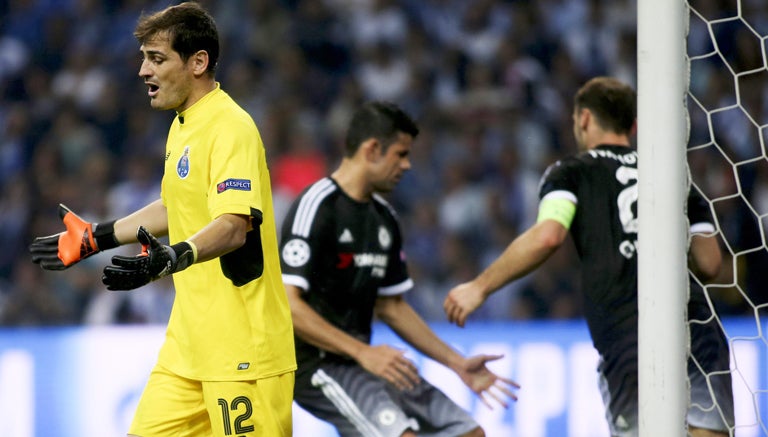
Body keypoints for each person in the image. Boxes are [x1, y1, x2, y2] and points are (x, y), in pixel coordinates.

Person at [29, 3, 296, 436]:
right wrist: (97, 237)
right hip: (188, 347)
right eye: (143, 58)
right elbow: (175, 206)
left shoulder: (231, 127)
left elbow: (233, 224)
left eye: (156, 59)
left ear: (198, 62)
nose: (142, 72)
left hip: (243, 348)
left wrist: (175, 256)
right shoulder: (182, 125)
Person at [443, 77, 734, 437]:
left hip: (629, 339)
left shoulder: (571, 173)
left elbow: (549, 235)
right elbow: (710, 264)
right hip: (696, 331)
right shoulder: (675, 175)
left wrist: (480, 286)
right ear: (633, 126)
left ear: (583, 119)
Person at [279, 101, 519, 437]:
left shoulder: (384, 219)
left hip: (368, 361)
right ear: (372, 149)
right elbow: (287, 305)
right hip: (317, 365)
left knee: (470, 433)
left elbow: (391, 307)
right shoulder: (316, 206)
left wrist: (456, 363)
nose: (407, 165)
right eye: (401, 154)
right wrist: (363, 352)